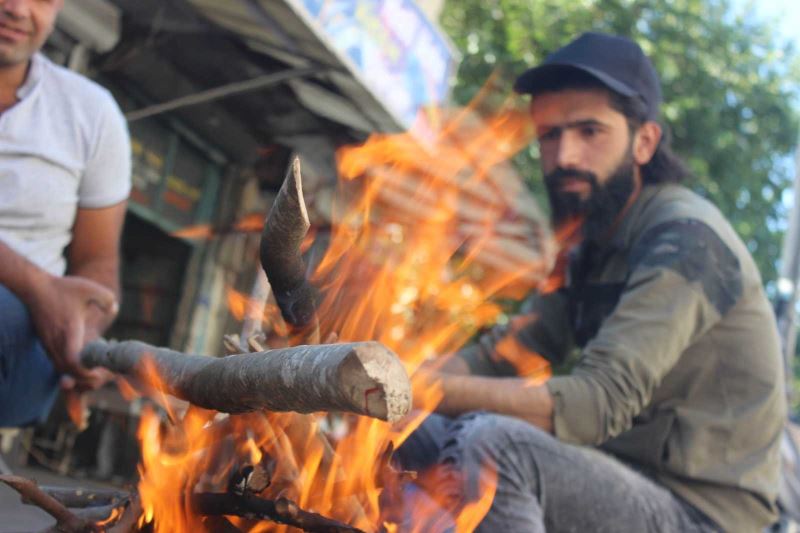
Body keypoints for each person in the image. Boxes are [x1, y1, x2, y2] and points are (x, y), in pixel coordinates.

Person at [394, 32, 786, 533]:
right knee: (408, 425)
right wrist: (382, 379)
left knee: (491, 446)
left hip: (700, 513)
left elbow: (596, 403)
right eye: (549, 136)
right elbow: (504, 355)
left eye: (589, 132)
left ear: (644, 141)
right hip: (614, 479)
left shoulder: (686, 241)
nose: (565, 157)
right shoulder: (589, 246)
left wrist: (418, 386)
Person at [0, 0, 131, 427]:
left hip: (20, 348)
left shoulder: (91, 112)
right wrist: (39, 289)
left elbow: (96, 262)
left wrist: (83, 328)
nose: (17, 8)